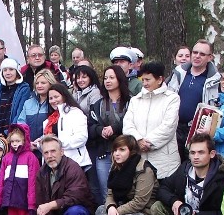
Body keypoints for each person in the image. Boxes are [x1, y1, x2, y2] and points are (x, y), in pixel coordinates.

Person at [32, 135, 97, 215]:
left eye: (53, 151)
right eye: (46, 152)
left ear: (61, 152)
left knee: (74, 212)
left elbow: (75, 197)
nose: (50, 155)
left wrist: (51, 205)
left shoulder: (72, 168)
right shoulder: (41, 173)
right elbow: (40, 204)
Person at [95, 135, 160, 215]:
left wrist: (113, 214)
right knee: (100, 211)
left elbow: (139, 202)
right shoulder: (116, 167)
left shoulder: (144, 170)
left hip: (146, 214)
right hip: (125, 209)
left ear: (131, 151)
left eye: (122, 150)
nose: (116, 154)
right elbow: (110, 194)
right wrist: (111, 208)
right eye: (115, 150)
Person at [123, 62, 181, 179]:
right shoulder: (135, 100)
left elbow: (168, 126)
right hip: (140, 159)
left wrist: (148, 142)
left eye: (148, 80)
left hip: (166, 162)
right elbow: (128, 124)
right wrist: (138, 140)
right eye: (142, 80)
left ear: (159, 79)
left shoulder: (172, 98)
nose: (144, 83)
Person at [168, 39, 221, 161]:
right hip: (175, 128)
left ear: (210, 57)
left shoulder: (215, 80)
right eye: (195, 52)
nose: (197, 56)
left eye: (202, 54)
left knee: (194, 164)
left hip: (197, 131)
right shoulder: (178, 73)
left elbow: (216, 109)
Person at [43, 84, 97, 202]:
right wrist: (39, 144)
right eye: (50, 98)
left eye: (56, 97)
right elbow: (49, 139)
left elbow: (81, 137)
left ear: (64, 96)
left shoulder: (75, 113)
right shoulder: (50, 119)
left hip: (75, 162)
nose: (53, 100)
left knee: (75, 197)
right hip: (55, 163)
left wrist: (57, 144)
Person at [88, 65, 131, 203]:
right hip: (104, 152)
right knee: (105, 190)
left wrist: (115, 128)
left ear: (119, 79)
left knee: (126, 189)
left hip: (126, 153)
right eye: (105, 78)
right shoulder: (97, 104)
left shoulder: (131, 102)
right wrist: (100, 130)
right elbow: (90, 126)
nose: (107, 81)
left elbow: (132, 122)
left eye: (112, 77)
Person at [0, 124, 40, 215]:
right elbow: (1, 180)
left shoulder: (30, 157)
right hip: (10, 197)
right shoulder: (6, 158)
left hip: (23, 198)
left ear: (24, 140)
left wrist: (32, 202)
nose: (15, 144)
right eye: (12, 141)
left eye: (18, 141)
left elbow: (33, 182)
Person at [16, 69, 57, 147]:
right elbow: (21, 123)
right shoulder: (28, 103)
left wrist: (39, 142)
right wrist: (26, 141)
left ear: (51, 84)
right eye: (37, 83)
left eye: (43, 83)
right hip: (28, 146)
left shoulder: (54, 103)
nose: (39, 85)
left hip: (48, 146)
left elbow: (54, 128)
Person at [0, 58, 30, 137]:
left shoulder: (24, 89)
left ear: (17, 72)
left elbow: (19, 112)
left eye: (11, 69)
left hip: (15, 133)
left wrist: (8, 132)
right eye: (5, 70)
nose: (8, 73)